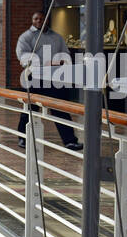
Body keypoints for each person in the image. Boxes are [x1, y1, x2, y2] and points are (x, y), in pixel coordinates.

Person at [15, 10, 80, 151]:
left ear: (47, 20)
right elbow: (23, 57)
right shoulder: (25, 37)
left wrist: (61, 62)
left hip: (54, 77)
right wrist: (45, 63)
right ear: (32, 20)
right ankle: (23, 138)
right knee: (30, 108)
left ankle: (70, 141)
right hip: (35, 77)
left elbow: (66, 55)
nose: (39, 21)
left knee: (60, 109)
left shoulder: (57, 37)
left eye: (41, 19)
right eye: (36, 19)